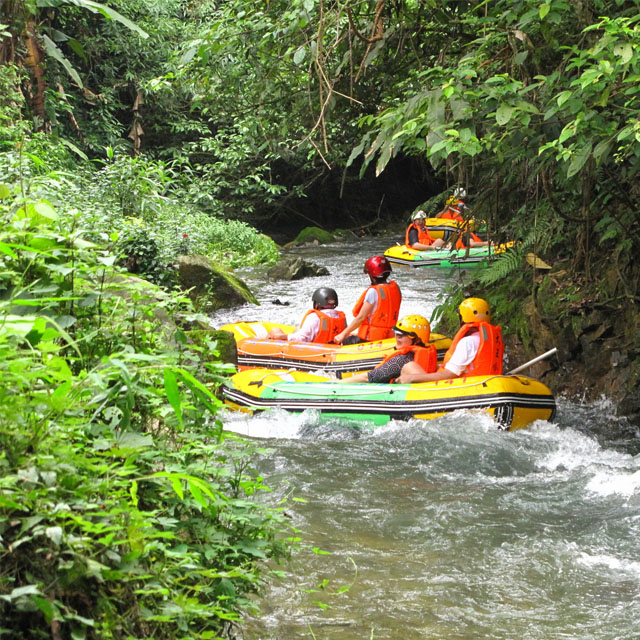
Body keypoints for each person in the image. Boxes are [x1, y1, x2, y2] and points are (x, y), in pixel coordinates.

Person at [397, 297, 503, 383]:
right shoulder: (491, 340)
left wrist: (411, 378)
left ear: (463, 318)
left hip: (462, 387)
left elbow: (449, 375)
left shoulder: (468, 342)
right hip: (484, 383)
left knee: (409, 366)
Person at [341, 315, 436, 383]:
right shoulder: (423, 353)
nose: (396, 339)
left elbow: (370, 377)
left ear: (416, 339)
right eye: (396, 335)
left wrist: (339, 382)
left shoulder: (401, 360)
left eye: (401, 336)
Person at [333, 256, 402, 345]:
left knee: (345, 341)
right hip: (388, 337)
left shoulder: (373, 292)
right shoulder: (396, 288)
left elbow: (361, 318)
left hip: (370, 340)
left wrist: (342, 334)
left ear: (372, 275)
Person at [268, 287, 346, 343]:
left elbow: (302, 338)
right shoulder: (340, 317)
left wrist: (284, 336)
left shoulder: (314, 317)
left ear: (317, 303)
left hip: (316, 351)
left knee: (275, 330)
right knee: (298, 329)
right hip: (333, 347)